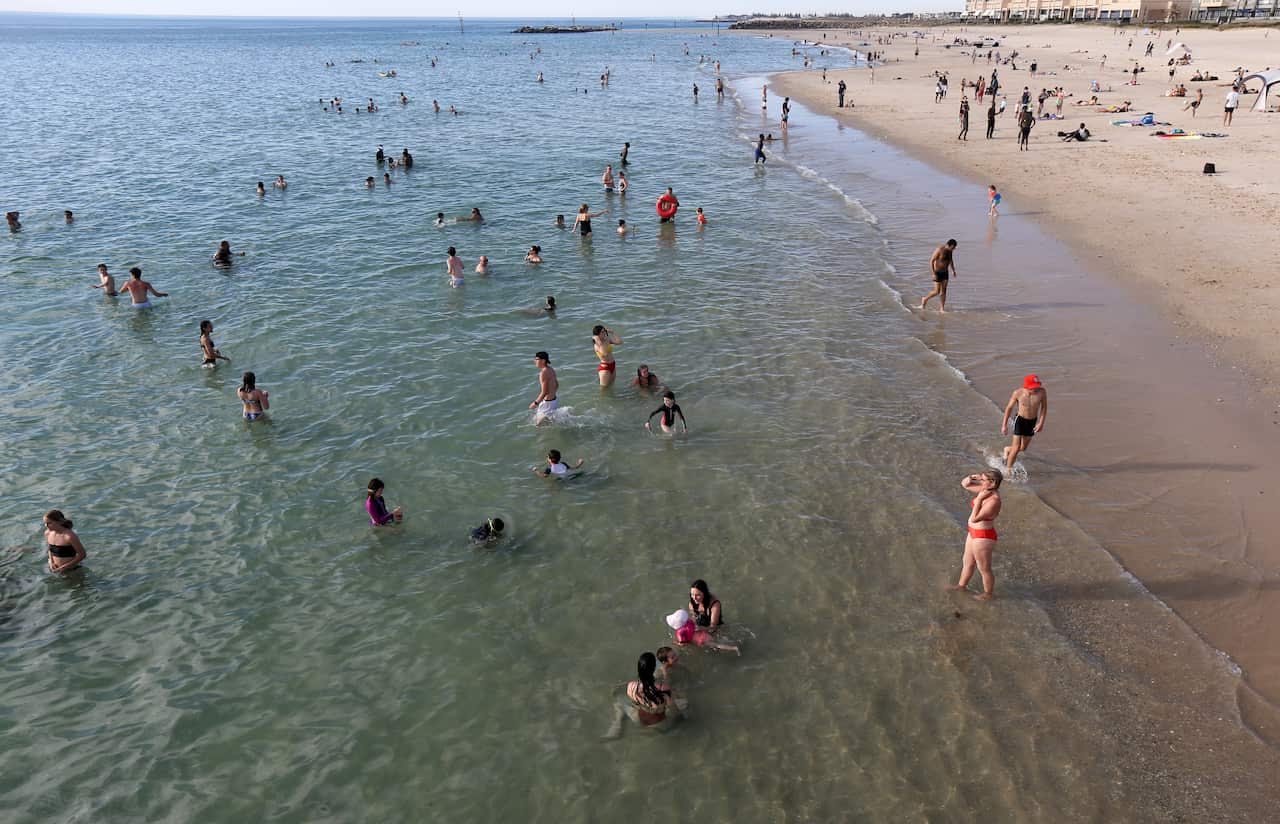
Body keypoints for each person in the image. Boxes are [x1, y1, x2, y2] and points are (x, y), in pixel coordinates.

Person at [947, 470, 1003, 601]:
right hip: (973, 533)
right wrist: (973, 477)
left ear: (993, 482)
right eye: (981, 479)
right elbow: (965, 484)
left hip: (984, 537)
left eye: (983, 480)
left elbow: (975, 519)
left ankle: (988, 594)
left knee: (984, 569)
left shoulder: (994, 500)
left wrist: (979, 499)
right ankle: (961, 586)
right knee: (967, 563)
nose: (980, 482)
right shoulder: (984, 490)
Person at [1001, 374, 1048, 469]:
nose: (1035, 389)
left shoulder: (1042, 392)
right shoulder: (1018, 393)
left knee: (1023, 448)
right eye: (1033, 387)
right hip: (1020, 420)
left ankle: (1006, 449)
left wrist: (1041, 423)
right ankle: (1008, 470)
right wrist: (1004, 425)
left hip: (1032, 422)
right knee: (1016, 448)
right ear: (1026, 386)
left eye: (1037, 387)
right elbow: (1009, 408)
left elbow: (1044, 407)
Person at [667, 608, 740, 655]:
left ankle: (733, 648)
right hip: (703, 633)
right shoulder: (688, 622)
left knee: (716, 645)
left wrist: (676, 643)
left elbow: (683, 644)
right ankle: (730, 639)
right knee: (717, 638)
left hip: (701, 640)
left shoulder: (680, 633)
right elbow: (695, 627)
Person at [920, 239, 957, 312]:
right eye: (952, 247)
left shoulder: (950, 251)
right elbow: (931, 261)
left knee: (944, 291)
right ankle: (925, 299)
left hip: (945, 272)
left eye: (954, 248)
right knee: (936, 291)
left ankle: (942, 308)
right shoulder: (939, 250)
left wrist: (953, 270)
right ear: (948, 245)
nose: (953, 249)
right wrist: (934, 273)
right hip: (938, 272)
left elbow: (951, 260)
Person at [44, 510, 86, 574]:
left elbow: (82, 555)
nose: (46, 525)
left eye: (49, 523)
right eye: (45, 523)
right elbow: (50, 549)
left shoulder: (69, 536)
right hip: (55, 570)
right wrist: (51, 562)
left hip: (73, 570)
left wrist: (64, 567)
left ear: (59, 522)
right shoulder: (47, 533)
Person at [529, 351, 558, 425]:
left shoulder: (543, 373)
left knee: (537, 425)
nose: (534, 361)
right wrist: (552, 394)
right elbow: (557, 384)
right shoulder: (551, 369)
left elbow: (544, 392)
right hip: (554, 401)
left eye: (536, 359)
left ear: (543, 360)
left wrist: (535, 403)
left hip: (547, 403)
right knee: (549, 421)